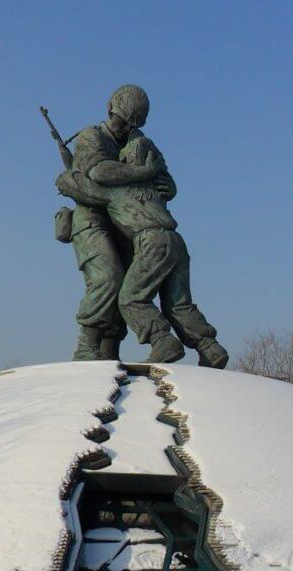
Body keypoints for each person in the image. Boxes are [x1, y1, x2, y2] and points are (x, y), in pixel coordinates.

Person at [56, 133, 229, 367]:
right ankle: (209, 347)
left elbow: (87, 185)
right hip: (176, 242)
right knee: (178, 303)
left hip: (152, 243)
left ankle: (161, 340)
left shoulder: (118, 191)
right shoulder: (156, 189)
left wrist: (67, 178)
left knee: (130, 299)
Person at [63, 85, 173, 361]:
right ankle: (86, 347)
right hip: (91, 218)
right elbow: (99, 171)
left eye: (130, 122)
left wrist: (161, 183)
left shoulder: (138, 142)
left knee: (126, 285)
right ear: (109, 110)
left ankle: (109, 351)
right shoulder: (92, 136)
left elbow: (166, 183)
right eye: (121, 120)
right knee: (107, 278)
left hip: (125, 222)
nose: (123, 127)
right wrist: (143, 172)